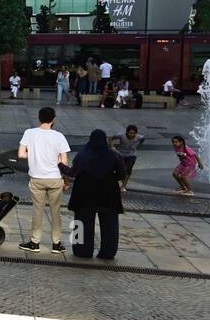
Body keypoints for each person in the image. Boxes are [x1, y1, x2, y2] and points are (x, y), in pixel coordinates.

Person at [18, 106, 71, 254]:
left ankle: (35, 242)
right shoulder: (59, 136)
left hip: (37, 178)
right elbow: (64, 161)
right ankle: (56, 243)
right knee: (56, 211)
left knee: (37, 211)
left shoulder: (29, 133)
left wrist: (35, 155)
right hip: (55, 178)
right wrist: (66, 180)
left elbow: (21, 154)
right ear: (53, 120)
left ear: (39, 118)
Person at [65, 129, 125, 260]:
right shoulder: (114, 155)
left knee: (81, 222)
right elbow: (121, 174)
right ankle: (108, 252)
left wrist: (60, 166)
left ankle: (82, 251)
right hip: (108, 193)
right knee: (110, 225)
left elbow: (73, 172)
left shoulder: (83, 155)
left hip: (84, 192)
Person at [110, 124, 144, 191]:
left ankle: (123, 186)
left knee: (128, 170)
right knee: (119, 169)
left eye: (134, 133)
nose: (132, 135)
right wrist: (112, 147)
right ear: (127, 132)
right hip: (121, 154)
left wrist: (138, 146)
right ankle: (118, 183)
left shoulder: (139, 137)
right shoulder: (121, 136)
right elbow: (111, 138)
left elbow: (142, 139)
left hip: (132, 155)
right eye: (130, 133)